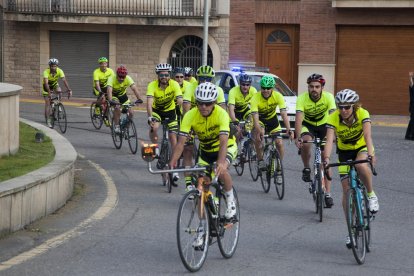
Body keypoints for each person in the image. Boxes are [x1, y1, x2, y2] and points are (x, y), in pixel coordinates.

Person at [169, 82, 238, 227]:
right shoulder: (190, 115)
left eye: (207, 104)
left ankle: (231, 204)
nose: (203, 107)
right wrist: (173, 162)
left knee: (222, 169)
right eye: (200, 103)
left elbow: (224, 142)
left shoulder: (222, 114)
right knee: (201, 187)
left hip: (226, 147)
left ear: (213, 102)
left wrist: (220, 163)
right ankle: (203, 227)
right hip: (206, 151)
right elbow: (181, 143)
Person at [322, 89, 379, 247]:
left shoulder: (363, 113)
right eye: (340, 107)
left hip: (361, 148)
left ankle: (371, 194)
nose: (343, 110)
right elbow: (329, 141)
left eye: (347, 107)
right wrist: (326, 159)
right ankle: (351, 231)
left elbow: (367, 136)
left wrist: (371, 154)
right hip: (345, 152)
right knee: (347, 193)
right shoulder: (333, 117)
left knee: (361, 165)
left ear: (354, 106)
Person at [181, 65, 226, 190]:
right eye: (201, 78)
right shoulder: (191, 86)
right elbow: (186, 105)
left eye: (208, 79)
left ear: (212, 79)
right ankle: (188, 183)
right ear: (197, 78)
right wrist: (189, 127)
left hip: (209, 122)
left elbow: (222, 109)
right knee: (188, 149)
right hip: (192, 119)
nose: (204, 81)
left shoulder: (218, 90)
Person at [294, 73, 336, 207]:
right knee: (306, 143)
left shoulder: (329, 97)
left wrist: (334, 136)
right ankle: (306, 168)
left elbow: (333, 117)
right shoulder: (302, 98)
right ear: (308, 87)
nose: (314, 89)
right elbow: (299, 118)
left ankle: (328, 193)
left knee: (326, 159)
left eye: (317, 87)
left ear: (322, 87)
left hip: (324, 126)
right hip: (308, 125)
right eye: (311, 86)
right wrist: (297, 137)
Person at [251, 75, 293, 176]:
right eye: (263, 88)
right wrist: (258, 130)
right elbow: (255, 119)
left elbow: (283, 114)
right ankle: (260, 160)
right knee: (258, 139)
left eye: (268, 88)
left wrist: (288, 129)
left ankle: (279, 166)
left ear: (273, 88)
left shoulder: (278, 96)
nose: (265, 90)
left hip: (272, 121)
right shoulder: (255, 98)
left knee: (279, 143)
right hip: (260, 121)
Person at [146, 63, 183, 180]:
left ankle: (174, 169)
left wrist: (179, 104)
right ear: (158, 75)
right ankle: (155, 146)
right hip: (157, 111)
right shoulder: (152, 85)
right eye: (161, 75)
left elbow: (180, 99)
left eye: (166, 75)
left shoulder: (175, 84)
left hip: (171, 111)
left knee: (173, 139)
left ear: (169, 75)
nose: (164, 77)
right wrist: (150, 117)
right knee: (155, 127)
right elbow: (149, 103)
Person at [106, 65, 143, 134]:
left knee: (131, 112)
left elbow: (134, 89)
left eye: (123, 77)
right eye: (120, 76)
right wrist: (111, 101)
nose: (121, 79)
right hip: (114, 96)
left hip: (123, 96)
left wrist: (139, 99)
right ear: (117, 75)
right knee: (117, 107)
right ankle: (117, 126)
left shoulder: (128, 78)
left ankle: (126, 127)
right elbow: (109, 91)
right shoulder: (111, 79)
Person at [42, 58, 72, 128]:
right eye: (52, 66)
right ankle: (47, 119)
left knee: (59, 91)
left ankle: (58, 104)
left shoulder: (60, 71)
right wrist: (49, 92)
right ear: (49, 66)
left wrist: (69, 89)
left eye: (55, 66)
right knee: (48, 103)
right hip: (46, 86)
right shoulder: (46, 72)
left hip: (54, 84)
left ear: (57, 66)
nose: (53, 67)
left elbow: (64, 80)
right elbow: (46, 83)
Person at [92, 57, 115, 126]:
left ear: (107, 64)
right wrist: (100, 92)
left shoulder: (110, 71)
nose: (104, 65)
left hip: (106, 87)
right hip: (97, 87)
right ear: (99, 64)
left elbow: (113, 82)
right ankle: (96, 107)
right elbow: (97, 84)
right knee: (102, 98)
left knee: (109, 102)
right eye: (102, 64)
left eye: (105, 63)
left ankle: (105, 117)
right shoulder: (96, 72)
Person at [405, 72, 414, 140]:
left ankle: (408, 135)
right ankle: (411, 136)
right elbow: (411, 84)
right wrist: (410, 77)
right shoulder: (412, 87)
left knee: (412, 121)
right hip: (413, 106)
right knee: (412, 121)